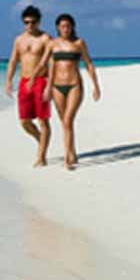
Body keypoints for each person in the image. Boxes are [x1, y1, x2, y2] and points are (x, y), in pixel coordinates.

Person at [46, 12, 100, 169]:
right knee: (65, 123)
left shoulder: (79, 43)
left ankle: (67, 160)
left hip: (74, 85)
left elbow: (89, 64)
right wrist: (48, 87)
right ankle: (72, 152)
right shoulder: (53, 44)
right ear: (58, 28)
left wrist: (96, 86)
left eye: (68, 26)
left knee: (68, 120)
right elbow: (50, 66)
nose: (66, 29)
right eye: (62, 26)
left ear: (73, 27)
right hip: (57, 86)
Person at [4, 5, 54, 167]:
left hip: (41, 81)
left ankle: (41, 157)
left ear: (39, 22)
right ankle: (41, 139)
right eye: (26, 22)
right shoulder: (19, 40)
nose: (29, 26)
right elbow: (13, 61)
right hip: (24, 82)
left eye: (33, 22)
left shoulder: (45, 39)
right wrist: (9, 81)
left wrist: (50, 85)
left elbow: (52, 63)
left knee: (43, 120)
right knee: (24, 121)